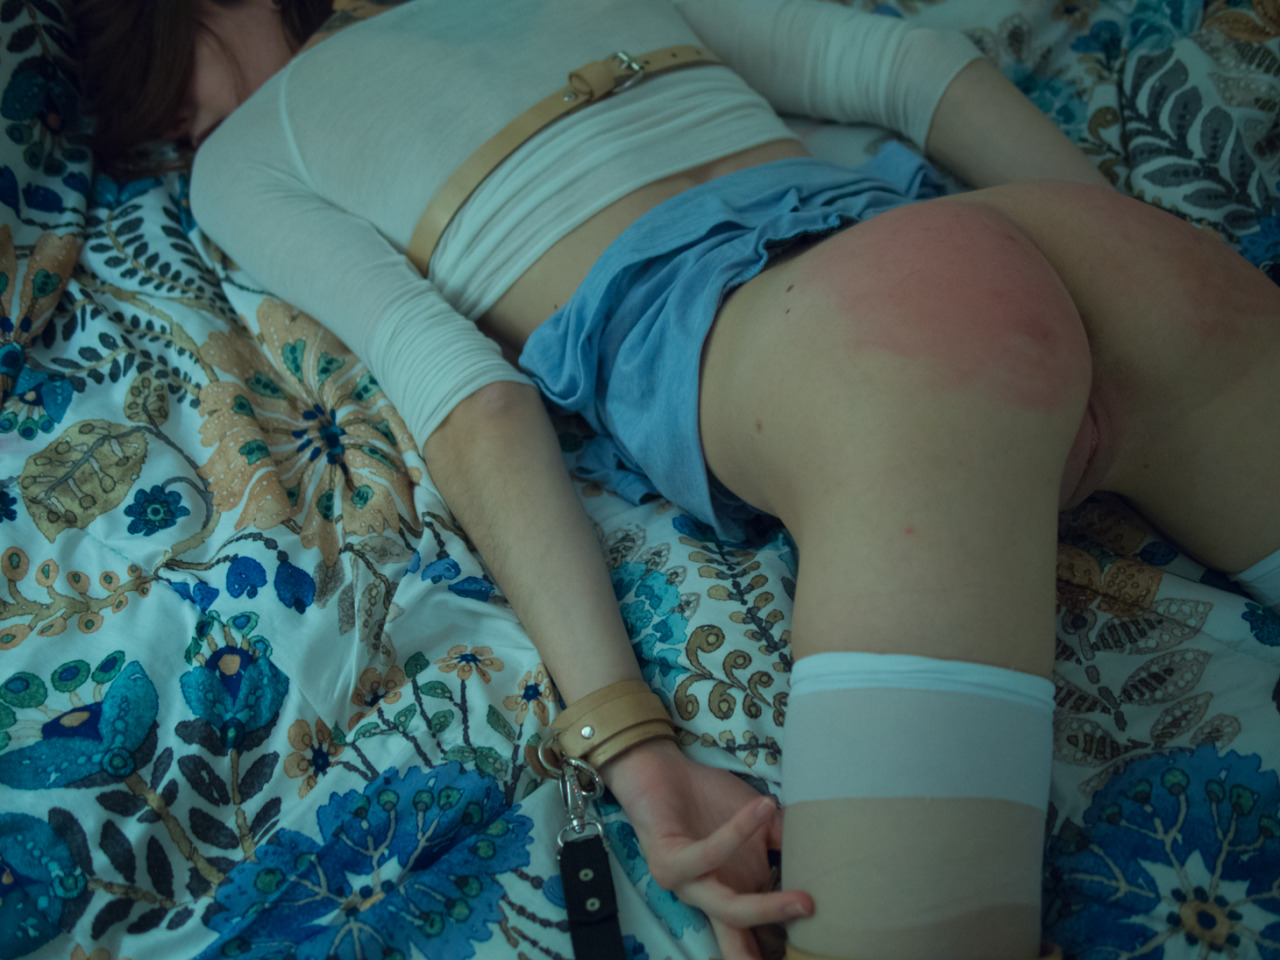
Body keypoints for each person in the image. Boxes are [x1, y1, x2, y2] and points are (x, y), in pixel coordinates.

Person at [73, 1, 1280, 958]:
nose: (174, 138)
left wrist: (626, 737)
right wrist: (1086, 236)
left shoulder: (248, 148)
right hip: (1094, 248)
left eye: (160, 95)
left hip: (879, 335)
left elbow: (467, 397)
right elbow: (903, 63)